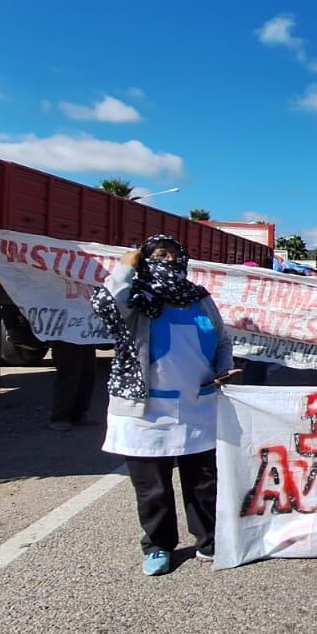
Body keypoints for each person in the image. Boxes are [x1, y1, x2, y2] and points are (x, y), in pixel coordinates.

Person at [91, 235, 234, 576]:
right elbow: (105, 303)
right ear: (144, 258)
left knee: (203, 481)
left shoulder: (199, 298)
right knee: (152, 486)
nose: (167, 259)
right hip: (146, 412)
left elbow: (223, 339)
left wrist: (223, 368)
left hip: (197, 405)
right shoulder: (136, 299)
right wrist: (126, 267)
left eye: (173, 253)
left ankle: (208, 539)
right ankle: (158, 545)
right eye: (158, 254)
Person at [48, 339, 98, 431]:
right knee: (69, 372)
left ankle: (79, 414)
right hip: (65, 334)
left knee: (87, 372)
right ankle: (60, 417)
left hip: (85, 334)